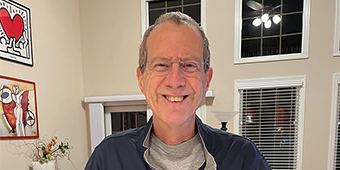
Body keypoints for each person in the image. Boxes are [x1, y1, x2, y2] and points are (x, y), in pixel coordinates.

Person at [85, 12, 271, 170]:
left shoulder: (244, 158)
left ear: (207, 80)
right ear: (141, 79)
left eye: (189, 65)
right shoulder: (108, 157)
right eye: (161, 65)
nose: (175, 81)